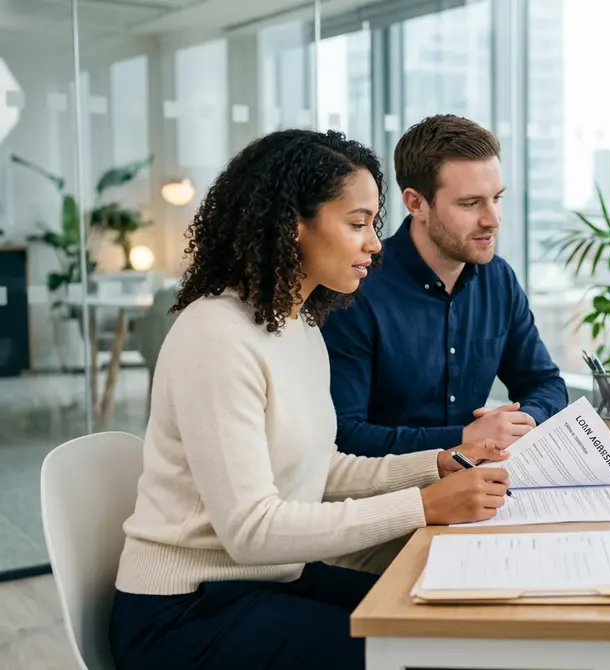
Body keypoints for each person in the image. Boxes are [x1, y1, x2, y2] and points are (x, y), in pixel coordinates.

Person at [108, 128, 511, 670]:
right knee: (425, 654)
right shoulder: (216, 336)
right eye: (356, 224)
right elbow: (251, 531)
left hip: (268, 583)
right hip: (187, 613)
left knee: (455, 630)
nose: (374, 243)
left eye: (373, 224)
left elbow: (316, 470)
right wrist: (424, 504)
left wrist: (436, 465)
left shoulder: (297, 326)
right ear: (292, 227)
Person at [321, 114, 568, 458]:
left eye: (496, 198)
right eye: (470, 203)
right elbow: (343, 434)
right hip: (391, 497)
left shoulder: (499, 280)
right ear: (416, 203)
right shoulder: (356, 289)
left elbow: (546, 383)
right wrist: (462, 436)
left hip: (480, 485)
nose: (492, 220)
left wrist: (525, 419)